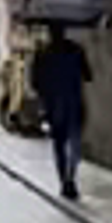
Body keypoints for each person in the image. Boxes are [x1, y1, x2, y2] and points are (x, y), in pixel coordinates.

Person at [32, 25, 93, 206]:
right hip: (74, 103)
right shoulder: (76, 50)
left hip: (53, 106)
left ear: (50, 33)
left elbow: (35, 82)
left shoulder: (42, 53)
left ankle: (64, 181)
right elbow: (89, 75)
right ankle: (69, 178)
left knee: (58, 145)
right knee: (74, 143)